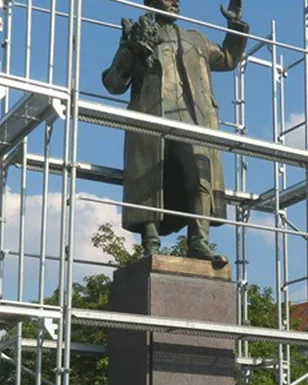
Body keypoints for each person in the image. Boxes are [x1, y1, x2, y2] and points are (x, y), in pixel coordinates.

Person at [101, 0, 247, 268]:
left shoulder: (196, 38)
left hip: (191, 118)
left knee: (200, 174)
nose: (175, 2)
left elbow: (228, 58)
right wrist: (130, 52)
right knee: (150, 179)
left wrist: (235, 24)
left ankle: (199, 241)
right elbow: (113, 83)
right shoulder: (137, 36)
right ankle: (151, 244)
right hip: (151, 116)